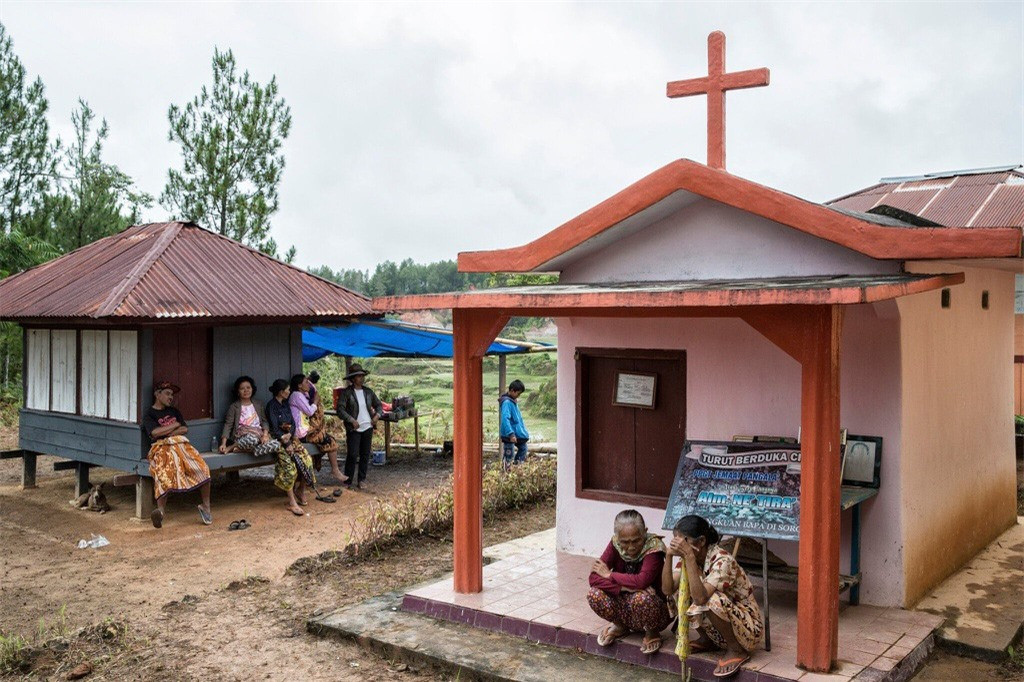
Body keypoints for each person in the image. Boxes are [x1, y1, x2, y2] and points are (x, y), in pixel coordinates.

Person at [662, 515, 763, 678]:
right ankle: (708, 640)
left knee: (711, 600)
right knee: (680, 589)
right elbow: (667, 589)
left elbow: (701, 599)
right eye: (676, 541)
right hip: (724, 623)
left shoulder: (722, 560)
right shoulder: (691, 558)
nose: (679, 545)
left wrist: (688, 556)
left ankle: (736, 650)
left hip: (748, 628)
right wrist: (668, 556)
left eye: (683, 541)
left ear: (701, 541)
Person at [588, 509, 670, 655]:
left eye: (636, 540)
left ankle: (652, 632)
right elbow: (594, 578)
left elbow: (641, 581)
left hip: (654, 611)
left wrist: (610, 574)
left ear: (644, 532)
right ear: (617, 537)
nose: (631, 547)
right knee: (594, 594)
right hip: (625, 607)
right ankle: (620, 626)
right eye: (625, 542)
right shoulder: (615, 544)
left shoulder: (654, 549)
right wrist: (625, 588)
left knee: (642, 598)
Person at [142, 381, 213, 529]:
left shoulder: (174, 411)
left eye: (172, 395)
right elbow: (154, 433)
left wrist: (167, 430)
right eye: (167, 393)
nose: (170, 397)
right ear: (157, 394)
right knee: (164, 472)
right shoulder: (150, 413)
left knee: (203, 468)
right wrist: (174, 425)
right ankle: (160, 512)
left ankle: (206, 507)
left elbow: (184, 429)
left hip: (181, 445)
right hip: (162, 448)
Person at [265, 378, 318, 516]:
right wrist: (286, 442)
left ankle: (301, 490)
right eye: (288, 390)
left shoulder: (286, 404)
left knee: (307, 460)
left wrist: (290, 434)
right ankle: (291, 501)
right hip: (279, 441)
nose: (289, 392)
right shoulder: (271, 406)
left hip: (290, 438)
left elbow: (293, 423)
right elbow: (274, 428)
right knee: (289, 468)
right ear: (282, 392)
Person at [288, 372, 343, 481]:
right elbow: (309, 411)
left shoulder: (302, 394)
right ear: (299, 385)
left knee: (325, 437)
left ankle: (321, 469)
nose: (308, 384)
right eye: (306, 382)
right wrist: (316, 402)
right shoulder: (296, 395)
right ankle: (335, 470)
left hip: (303, 430)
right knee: (329, 440)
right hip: (300, 433)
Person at [336, 363, 381, 491]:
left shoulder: (368, 392)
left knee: (365, 454)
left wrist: (377, 416)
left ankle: (361, 479)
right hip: (354, 428)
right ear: (353, 378)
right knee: (352, 454)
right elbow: (340, 409)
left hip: (368, 426)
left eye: (362, 375)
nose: (361, 378)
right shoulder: (346, 393)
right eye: (358, 376)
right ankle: (348, 480)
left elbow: (378, 405)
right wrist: (351, 420)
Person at [218, 375, 279, 456]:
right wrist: (223, 444)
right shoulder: (234, 407)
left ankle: (240, 449)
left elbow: (264, 422)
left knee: (277, 445)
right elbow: (228, 425)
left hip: (258, 435)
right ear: (237, 392)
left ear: (252, 389)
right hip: (243, 437)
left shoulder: (258, 404)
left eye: (248, 387)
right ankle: (232, 447)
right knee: (252, 440)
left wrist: (265, 435)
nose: (246, 390)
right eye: (242, 388)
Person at [498, 379, 529, 470]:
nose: (518, 396)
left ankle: (516, 469)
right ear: (512, 390)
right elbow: (505, 419)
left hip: (517, 434)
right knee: (509, 455)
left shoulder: (513, 401)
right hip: (509, 435)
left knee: (523, 449)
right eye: (518, 394)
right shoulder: (507, 403)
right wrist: (511, 433)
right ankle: (506, 472)